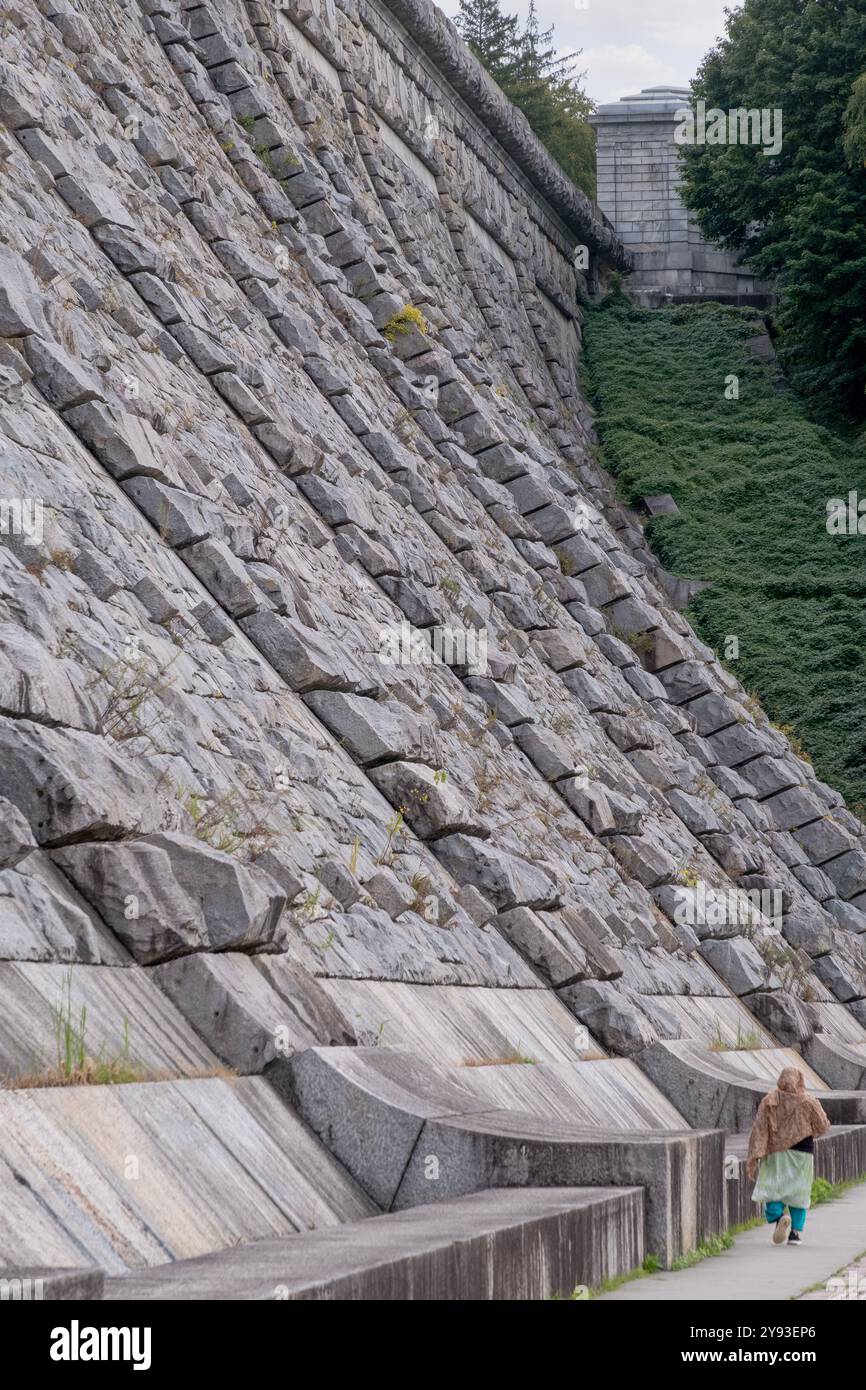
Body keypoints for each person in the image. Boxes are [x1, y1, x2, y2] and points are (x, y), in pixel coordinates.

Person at [746, 1066, 830, 1245]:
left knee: (773, 1187)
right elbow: (822, 1124)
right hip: (803, 1153)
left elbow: (759, 1128)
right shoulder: (808, 1100)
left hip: (776, 1152)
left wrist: (756, 1152)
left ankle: (779, 1218)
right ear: (799, 1080)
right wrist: (807, 1130)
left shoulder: (770, 1100)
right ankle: (795, 1234)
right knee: (799, 1191)